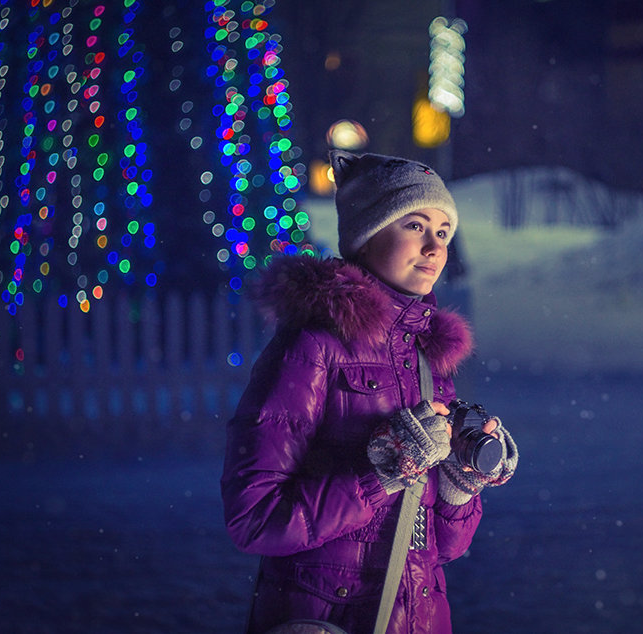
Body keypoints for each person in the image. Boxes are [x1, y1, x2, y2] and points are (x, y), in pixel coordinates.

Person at [221, 151, 519, 634]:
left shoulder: (427, 359)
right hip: (325, 617)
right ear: (366, 235)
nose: (434, 248)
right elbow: (254, 518)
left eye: (443, 232)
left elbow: (444, 547)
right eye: (415, 226)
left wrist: (460, 485)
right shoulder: (313, 346)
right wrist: (382, 471)